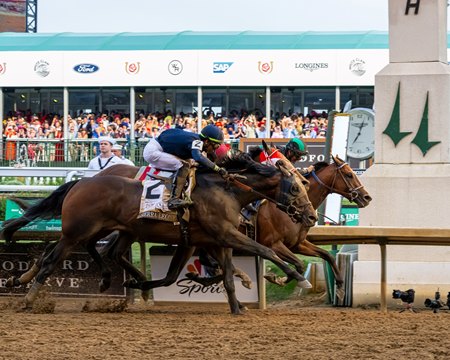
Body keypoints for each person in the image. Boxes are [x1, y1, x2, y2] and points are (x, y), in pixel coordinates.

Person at [143, 124, 228, 210]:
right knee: (184, 166)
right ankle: (173, 200)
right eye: (216, 146)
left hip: (160, 147)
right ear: (206, 142)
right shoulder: (196, 141)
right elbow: (198, 157)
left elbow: (204, 158)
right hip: (153, 151)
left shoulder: (196, 139)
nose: (214, 150)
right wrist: (217, 169)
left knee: (190, 162)